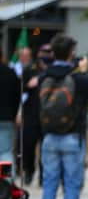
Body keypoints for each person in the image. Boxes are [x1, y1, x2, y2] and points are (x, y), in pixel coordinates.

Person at [40, 34, 88, 199]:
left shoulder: (44, 75)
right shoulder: (78, 78)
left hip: (49, 138)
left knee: (49, 184)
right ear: (72, 53)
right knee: (72, 185)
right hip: (72, 137)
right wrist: (86, 74)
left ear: (53, 53)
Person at [15, 44, 52, 186]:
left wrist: (40, 78)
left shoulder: (52, 70)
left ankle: (43, 175)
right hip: (31, 113)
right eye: (44, 51)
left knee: (46, 148)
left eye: (49, 52)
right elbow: (21, 88)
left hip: (47, 114)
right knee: (28, 145)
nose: (46, 55)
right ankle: (29, 171)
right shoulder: (30, 69)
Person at [0, 49, 21, 175]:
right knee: (6, 152)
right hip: (6, 118)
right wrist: (13, 115)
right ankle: (6, 185)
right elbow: (17, 97)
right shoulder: (11, 73)